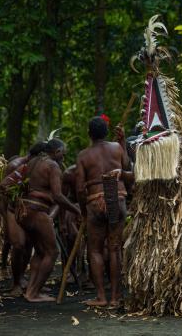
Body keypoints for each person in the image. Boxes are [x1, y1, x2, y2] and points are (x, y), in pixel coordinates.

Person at [76, 116, 128, 307]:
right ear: (107, 133)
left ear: (89, 134)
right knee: (115, 248)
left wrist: (83, 210)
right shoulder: (116, 148)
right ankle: (115, 297)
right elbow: (127, 168)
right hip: (119, 197)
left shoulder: (83, 155)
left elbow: (80, 188)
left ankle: (101, 297)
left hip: (96, 201)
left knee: (95, 249)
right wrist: (121, 141)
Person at [0, 142, 46, 292]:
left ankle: (22, 277)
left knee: (28, 244)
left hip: (27, 209)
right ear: (35, 156)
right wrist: (5, 215)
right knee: (12, 242)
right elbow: (3, 190)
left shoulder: (37, 168)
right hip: (9, 207)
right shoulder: (16, 166)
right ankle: (7, 271)